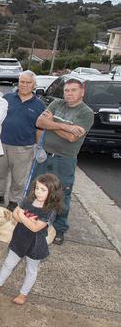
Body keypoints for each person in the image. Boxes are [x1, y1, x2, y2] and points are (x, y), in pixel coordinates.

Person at [0, 174, 63, 305]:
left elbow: (35, 228)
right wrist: (27, 219)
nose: (38, 192)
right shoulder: (28, 200)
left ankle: (23, 294)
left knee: (31, 270)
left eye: (43, 190)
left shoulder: (50, 210)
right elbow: (15, 214)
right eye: (37, 188)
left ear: (53, 192)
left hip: (35, 244)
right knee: (8, 263)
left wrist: (23, 216)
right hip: (19, 238)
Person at [34, 78, 94, 245]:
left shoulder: (86, 113)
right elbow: (39, 122)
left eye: (73, 90)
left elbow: (72, 138)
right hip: (44, 156)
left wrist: (52, 123)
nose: (69, 94)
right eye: (67, 90)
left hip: (64, 160)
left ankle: (59, 229)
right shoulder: (56, 104)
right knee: (38, 190)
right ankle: (35, 222)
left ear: (82, 92)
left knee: (62, 195)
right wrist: (66, 126)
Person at [0, 71, 45, 209]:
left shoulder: (39, 105)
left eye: (28, 82)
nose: (24, 85)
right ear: (18, 82)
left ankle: (13, 200)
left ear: (34, 85)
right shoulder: (7, 98)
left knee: (18, 178)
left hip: (24, 148)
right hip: (2, 144)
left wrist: (39, 147)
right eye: (22, 81)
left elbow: (40, 128)